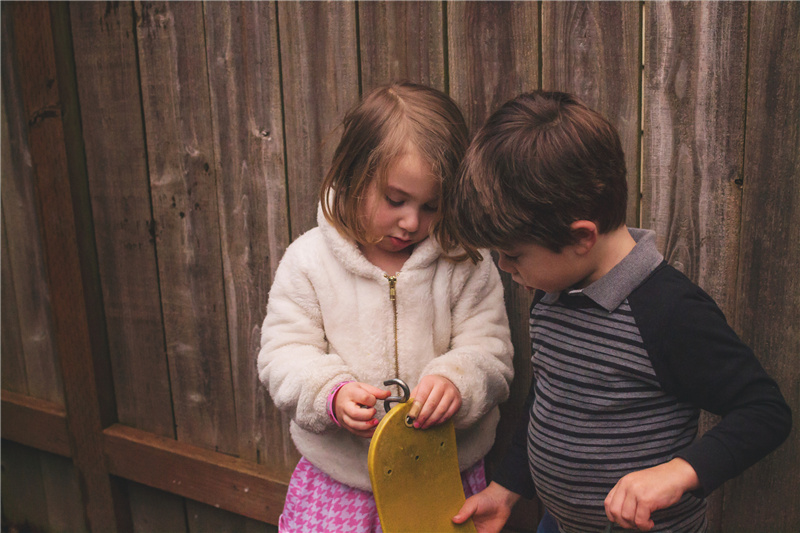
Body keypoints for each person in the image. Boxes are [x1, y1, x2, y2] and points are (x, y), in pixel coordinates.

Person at [442, 91, 792, 533]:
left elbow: (765, 411)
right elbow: (551, 397)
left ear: (582, 237)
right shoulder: (552, 293)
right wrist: (507, 488)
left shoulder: (668, 313)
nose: (505, 268)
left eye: (513, 255)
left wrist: (679, 472)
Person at [258, 81, 515, 532]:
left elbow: (491, 351)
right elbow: (283, 354)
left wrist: (458, 381)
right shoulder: (309, 261)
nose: (412, 222)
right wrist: (329, 394)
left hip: (439, 479)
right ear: (353, 174)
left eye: (431, 206)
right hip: (341, 483)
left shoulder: (464, 262)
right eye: (395, 200)